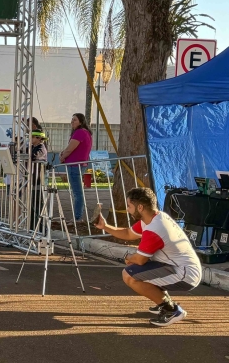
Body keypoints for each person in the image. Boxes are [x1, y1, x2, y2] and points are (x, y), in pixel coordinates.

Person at [95, 188, 202, 326]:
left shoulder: (154, 229)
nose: (127, 210)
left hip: (185, 275)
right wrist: (105, 226)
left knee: (129, 275)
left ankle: (172, 310)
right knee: (137, 270)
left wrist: (129, 257)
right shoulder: (154, 217)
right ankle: (164, 302)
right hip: (178, 267)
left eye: (129, 206)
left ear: (140, 207)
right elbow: (128, 233)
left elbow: (140, 259)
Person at [59, 113, 93, 222]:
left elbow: (70, 149)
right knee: (77, 192)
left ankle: (78, 217)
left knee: (77, 193)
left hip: (74, 165)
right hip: (78, 164)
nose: (72, 122)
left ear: (81, 122)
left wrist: (63, 156)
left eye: (74, 120)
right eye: (72, 119)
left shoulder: (79, 132)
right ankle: (78, 216)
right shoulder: (85, 133)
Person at [29, 131, 48, 230]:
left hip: (39, 182)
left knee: (38, 207)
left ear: (39, 138)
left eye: (33, 137)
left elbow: (34, 157)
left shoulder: (41, 148)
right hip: (33, 181)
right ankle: (33, 228)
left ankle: (41, 229)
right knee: (33, 206)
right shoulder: (32, 147)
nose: (31, 139)